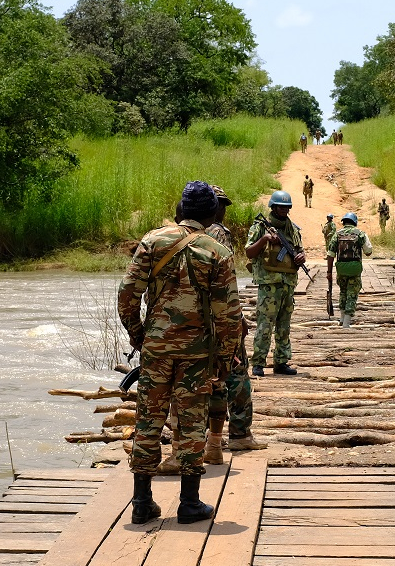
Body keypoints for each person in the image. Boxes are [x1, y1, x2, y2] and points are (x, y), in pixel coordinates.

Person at [117, 181, 242, 525]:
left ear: (182, 209)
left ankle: (142, 501)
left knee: (148, 419)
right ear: (210, 212)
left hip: (156, 349)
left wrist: (140, 336)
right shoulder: (217, 251)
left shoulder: (152, 241)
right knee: (191, 422)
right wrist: (225, 357)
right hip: (197, 353)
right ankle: (189, 503)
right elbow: (229, 314)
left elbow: (127, 295)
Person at [203, 184, 266, 455]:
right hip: (223, 319)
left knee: (208, 376)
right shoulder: (219, 233)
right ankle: (240, 432)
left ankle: (208, 435)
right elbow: (225, 282)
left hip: (197, 321)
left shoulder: (187, 234)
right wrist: (238, 317)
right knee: (237, 373)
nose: (223, 211)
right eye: (221, 205)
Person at [245, 189, 304, 376]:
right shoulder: (261, 227)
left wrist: (301, 257)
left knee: (284, 325)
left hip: (288, 282)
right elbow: (248, 252)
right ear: (273, 206)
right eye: (280, 207)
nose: (283, 211)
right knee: (265, 325)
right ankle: (258, 363)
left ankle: (281, 361)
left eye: (286, 207)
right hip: (269, 283)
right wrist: (265, 239)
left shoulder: (292, 229)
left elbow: (298, 249)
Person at [327, 212, 373, 327]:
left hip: (341, 269)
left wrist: (329, 272)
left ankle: (342, 319)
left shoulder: (337, 234)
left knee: (343, 292)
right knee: (352, 295)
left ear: (344, 222)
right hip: (354, 270)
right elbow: (368, 252)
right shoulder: (360, 234)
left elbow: (330, 254)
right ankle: (346, 324)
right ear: (355, 222)